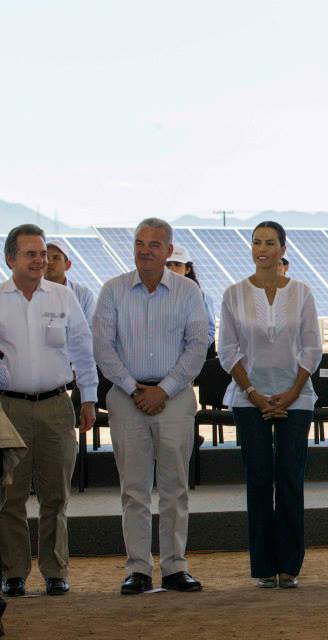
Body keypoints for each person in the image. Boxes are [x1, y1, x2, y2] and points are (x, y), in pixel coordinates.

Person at [92, 217, 208, 595]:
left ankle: (175, 567)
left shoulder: (188, 292)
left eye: (154, 245)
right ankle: (138, 569)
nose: (145, 251)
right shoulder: (113, 290)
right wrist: (133, 388)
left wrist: (165, 390)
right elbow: (103, 348)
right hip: (127, 398)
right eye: (139, 243)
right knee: (134, 488)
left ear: (169, 251)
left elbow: (198, 346)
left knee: (175, 487)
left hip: (174, 397)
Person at [219, 221, 322, 589]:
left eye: (269, 243)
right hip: (249, 400)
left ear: (283, 249)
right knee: (260, 478)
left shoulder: (302, 293)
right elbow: (227, 350)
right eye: (256, 242)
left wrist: (292, 393)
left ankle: (289, 565)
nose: (262, 249)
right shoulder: (233, 294)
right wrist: (253, 393)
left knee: (291, 477)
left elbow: (312, 347)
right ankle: (264, 565)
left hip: (297, 397)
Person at [0, 224, 97, 597]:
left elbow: (83, 350)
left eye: (43, 254)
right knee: (10, 497)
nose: (40, 260)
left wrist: (88, 398)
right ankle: (13, 572)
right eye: (31, 254)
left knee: (56, 494)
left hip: (57, 406)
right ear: (10, 258)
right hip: (9, 409)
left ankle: (56, 570)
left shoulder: (63, 297)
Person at [166, 245, 218, 359]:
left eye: (177, 265)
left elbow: (209, 330)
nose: (172, 269)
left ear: (187, 269)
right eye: (168, 265)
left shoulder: (201, 297)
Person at [44, 239, 97, 325]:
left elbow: (91, 328)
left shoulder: (84, 295)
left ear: (67, 265)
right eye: (46, 258)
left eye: (56, 258)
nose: (49, 262)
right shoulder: (30, 293)